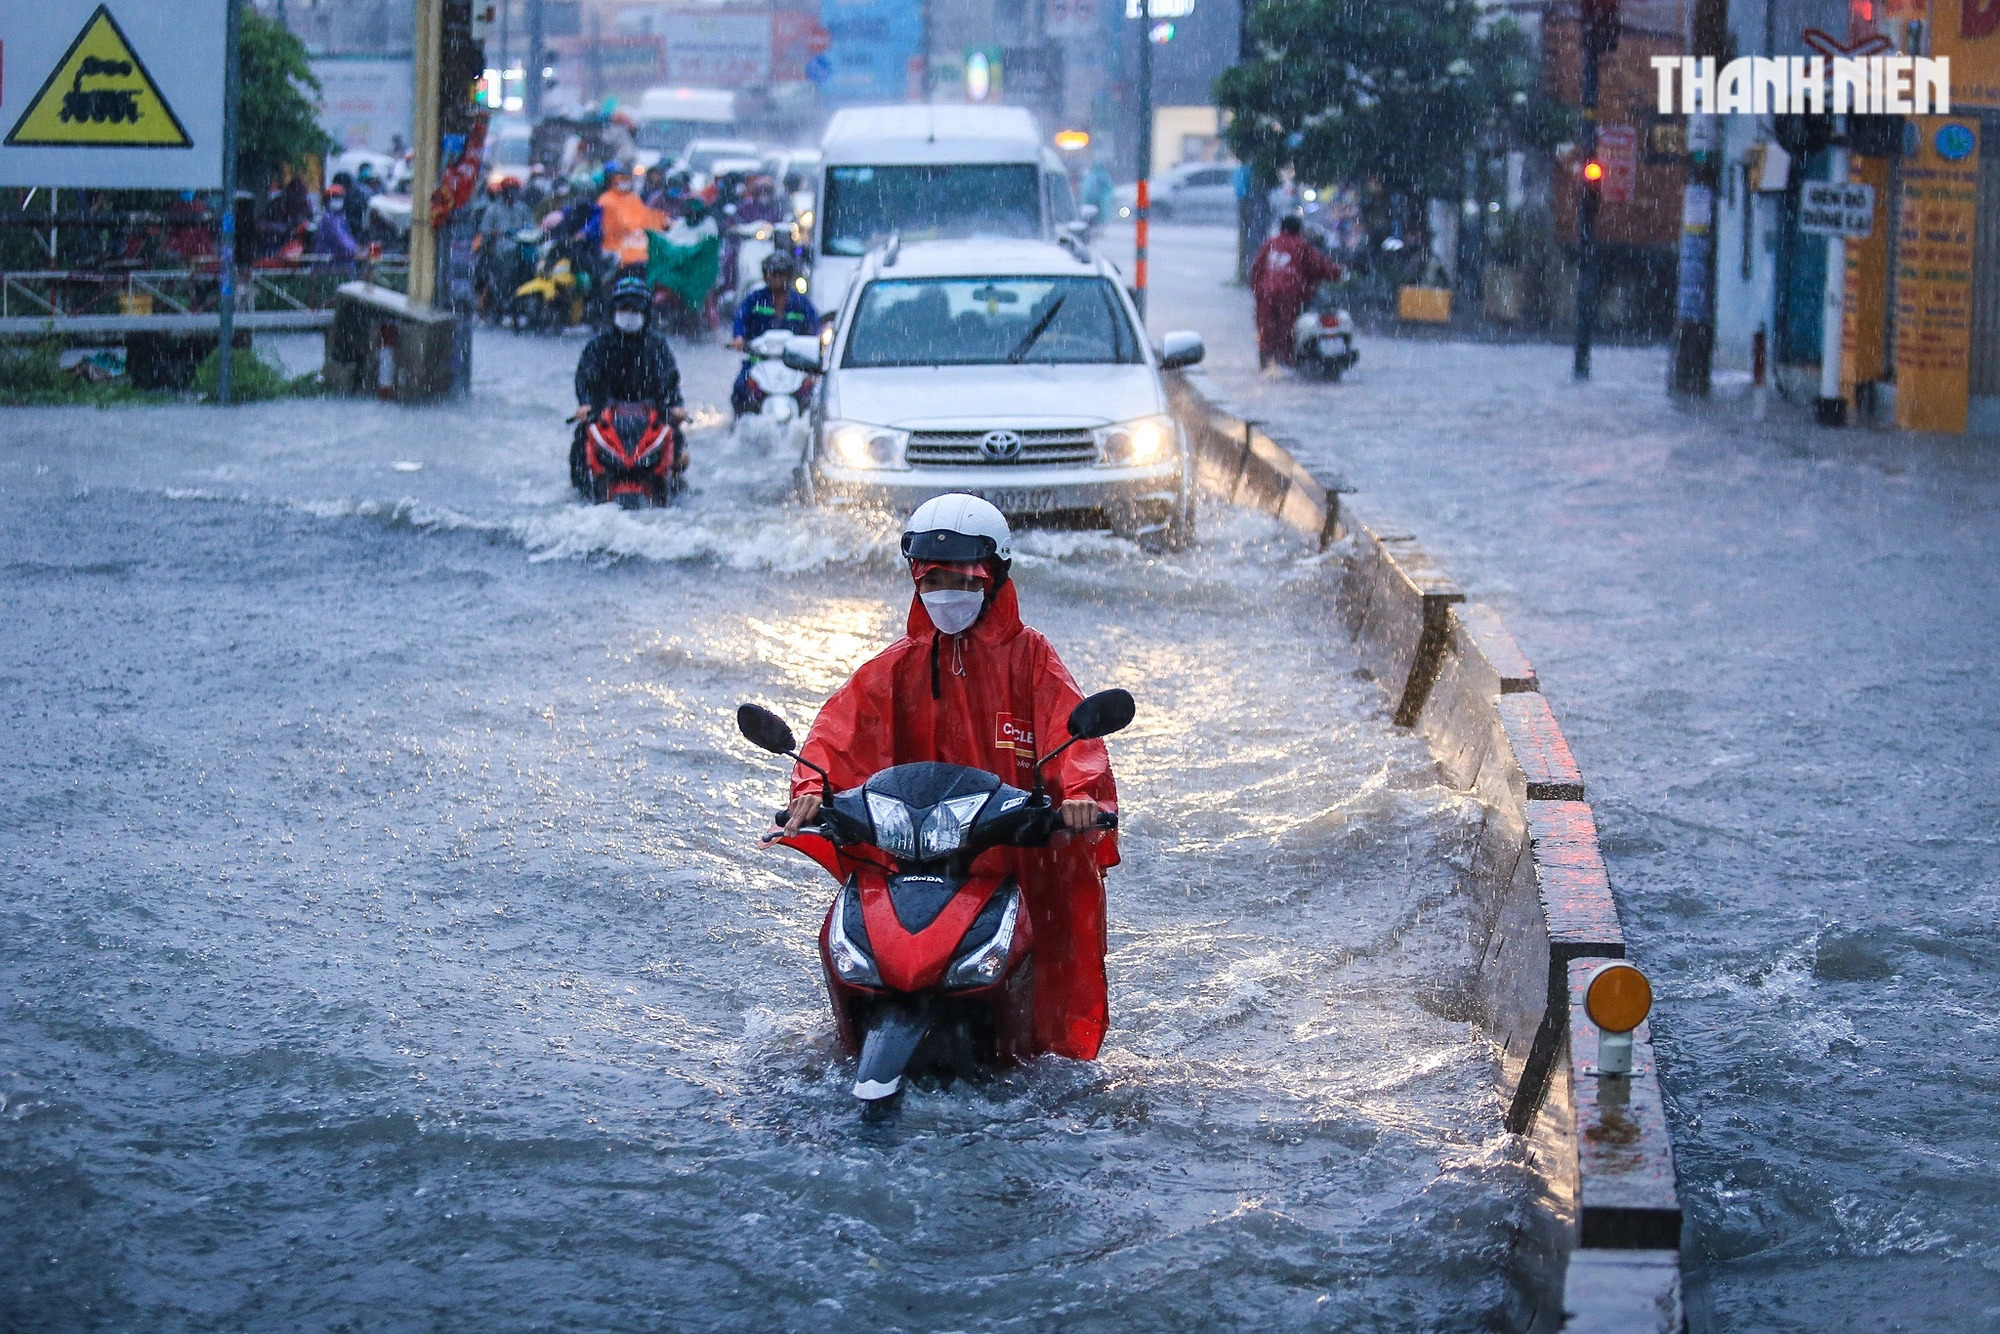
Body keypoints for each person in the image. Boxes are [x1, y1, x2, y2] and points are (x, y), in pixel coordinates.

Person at [779, 495, 1120, 1060]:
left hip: (1016, 854)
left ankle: (1037, 1067)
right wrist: (811, 792)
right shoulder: (897, 666)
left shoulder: (1031, 659)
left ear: (995, 575)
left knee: (1051, 1006)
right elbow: (836, 734)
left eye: (960, 576)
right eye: (930, 576)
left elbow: (1075, 738)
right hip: (919, 858)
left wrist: (1079, 797)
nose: (944, 589)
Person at [572, 275, 690, 481]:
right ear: (614, 311)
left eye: (635, 310)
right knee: (581, 440)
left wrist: (675, 407)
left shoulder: (657, 346)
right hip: (605, 415)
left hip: (651, 415)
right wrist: (586, 404)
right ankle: (583, 492)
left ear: (645, 313)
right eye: (624, 309)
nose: (629, 315)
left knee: (678, 451)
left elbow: (670, 380)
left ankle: (671, 488)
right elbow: (584, 378)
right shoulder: (599, 345)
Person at [728, 250, 818, 417]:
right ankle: (737, 425)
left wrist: (819, 343)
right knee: (740, 390)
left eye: (780, 273)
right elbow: (740, 319)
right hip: (759, 361)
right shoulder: (754, 300)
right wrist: (738, 338)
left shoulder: (801, 303)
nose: (775, 278)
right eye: (771, 273)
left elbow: (814, 327)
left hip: (793, 363)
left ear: (789, 276)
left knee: (812, 393)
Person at [1249, 213, 1345, 370]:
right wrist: (1338, 273)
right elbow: (1321, 267)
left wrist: (1257, 290)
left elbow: (1256, 269)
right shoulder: (1302, 245)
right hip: (1290, 292)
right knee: (1287, 329)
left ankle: (1267, 363)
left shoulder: (1271, 244)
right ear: (1299, 230)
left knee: (1265, 329)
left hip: (1266, 292)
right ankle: (1288, 363)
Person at [595, 162, 665, 270]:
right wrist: (630, 230)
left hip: (637, 242)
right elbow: (610, 227)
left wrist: (663, 221)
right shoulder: (606, 199)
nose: (624, 182)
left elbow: (645, 217)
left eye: (626, 179)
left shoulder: (633, 198)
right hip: (615, 245)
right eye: (620, 179)